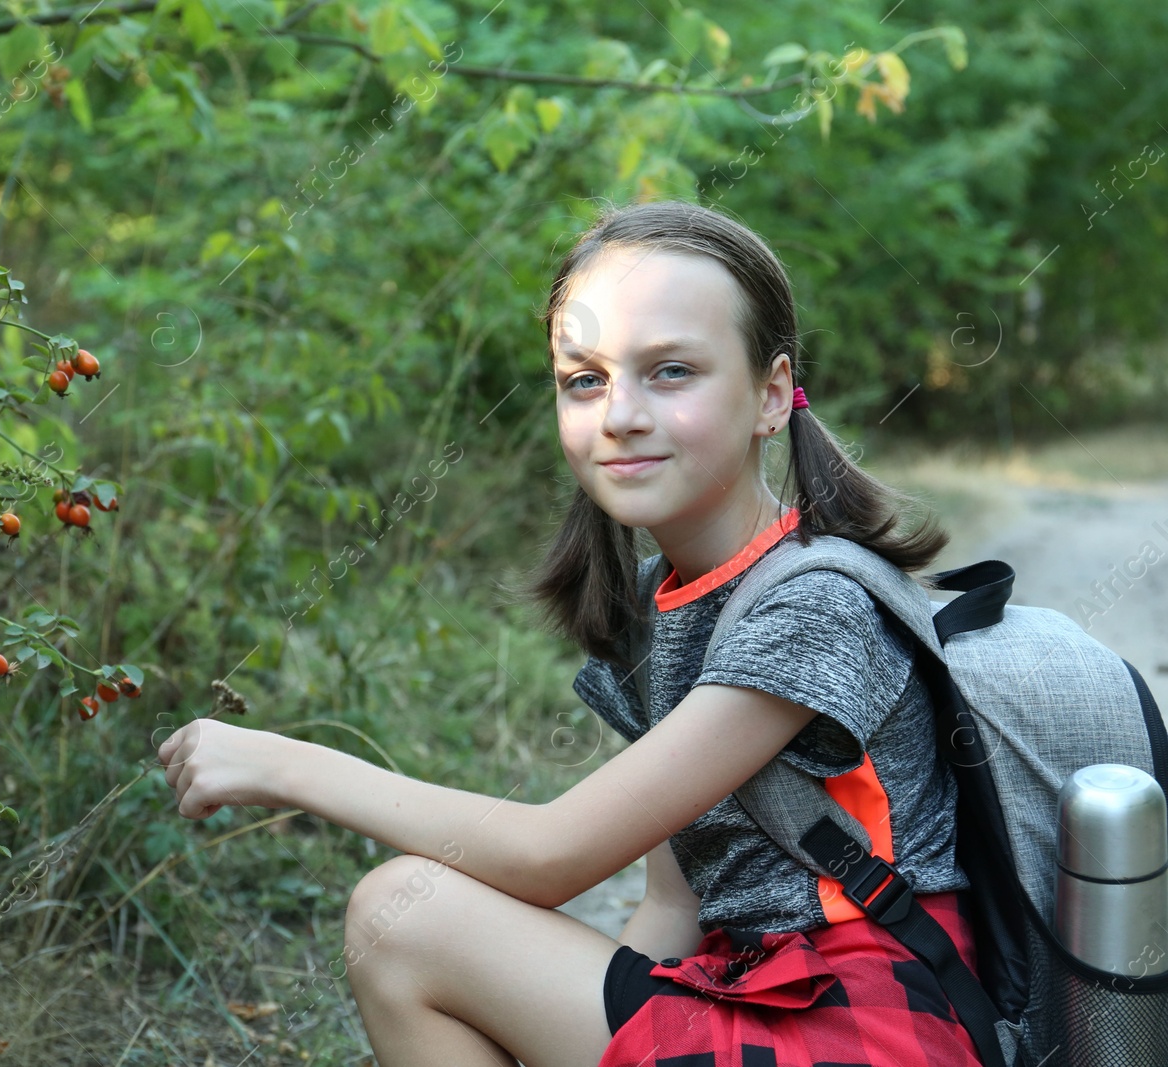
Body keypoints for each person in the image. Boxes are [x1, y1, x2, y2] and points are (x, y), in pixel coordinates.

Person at [155, 200, 985, 1067]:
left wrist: (285, 764)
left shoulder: (812, 603)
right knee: (401, 928)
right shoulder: (662, 604)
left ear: (771, 394)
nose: (619, 413)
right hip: (757, 999)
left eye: (670, 371)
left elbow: (552, 856)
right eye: (584, 378)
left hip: (866, 1028)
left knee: (399, 914)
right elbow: (672, 909)